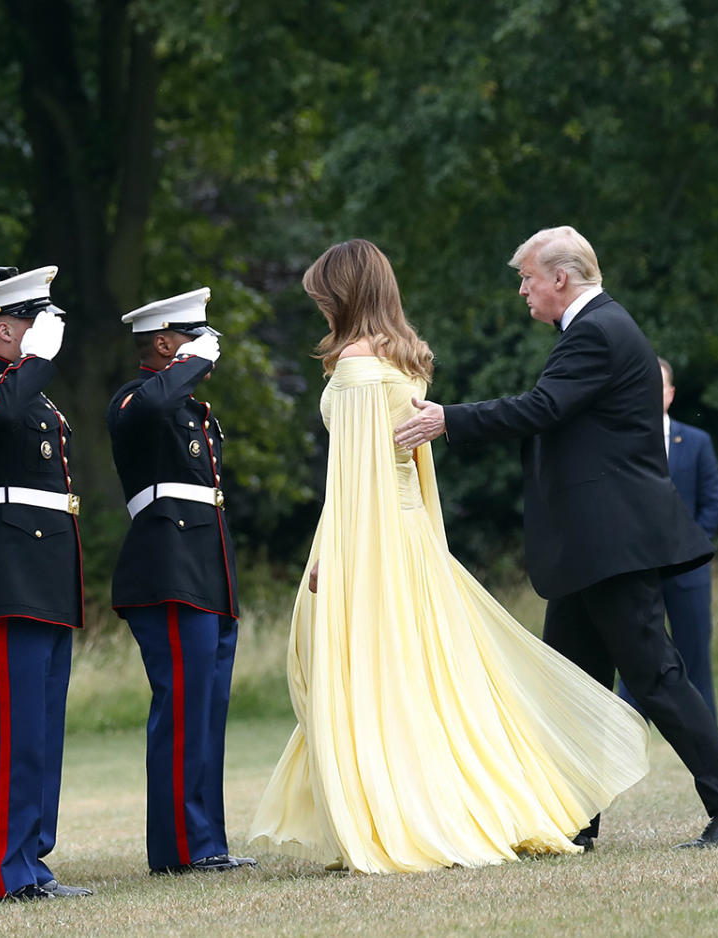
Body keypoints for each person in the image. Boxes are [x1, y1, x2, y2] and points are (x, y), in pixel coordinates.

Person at [247, 239, 650, 874]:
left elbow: (352, 479)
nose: (319, 308)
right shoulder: (403, 360)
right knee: (421, 678)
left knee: (370, 677)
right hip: (407, 535)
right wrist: (428, 541)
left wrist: (332, 551)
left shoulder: (354, 368)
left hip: (370, 535)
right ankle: (457, 803)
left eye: (323, 296)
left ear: (343, 295)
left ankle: (398, 813)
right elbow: (413, 471)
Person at [394, 226, 718, 850]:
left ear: (560, 279)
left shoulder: (596, 330)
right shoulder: (599, 328)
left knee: (657, 675)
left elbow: (541, 408)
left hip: (611, 544)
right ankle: (574, 822)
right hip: (591, 548)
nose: (522, 291)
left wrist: (446, 419)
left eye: (528, 278)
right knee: (573, 685)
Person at [0, 266, 91, 901]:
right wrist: (35, 365)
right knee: (10, 734)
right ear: (6, 328)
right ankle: (7, 875)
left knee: (38, 732)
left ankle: (31, 861)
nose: (46, 333)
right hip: (4, 581)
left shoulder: (33, 398)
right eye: (36, 321)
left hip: (42, 581)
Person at [106, 288, 255, 875]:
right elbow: (151, 405)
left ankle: (206, 842)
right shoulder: (134, 401)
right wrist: (194, 362)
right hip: (167, 573)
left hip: (205, 572)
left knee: (208, 710)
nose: (205, 354)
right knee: (183, 708)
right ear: (165, 344)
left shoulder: (189, 409)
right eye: (194, 340)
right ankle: (177, 850)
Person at [619, 358, 718, 720]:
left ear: (670, 394)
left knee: (695, 657)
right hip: (637, 567)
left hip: (687, 571)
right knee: (635, 657)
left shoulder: (696, 442)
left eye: (657, 387)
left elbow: (712, 502)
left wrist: (692, 548)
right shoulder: (621, 443)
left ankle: (707, 741)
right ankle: (630, 736)